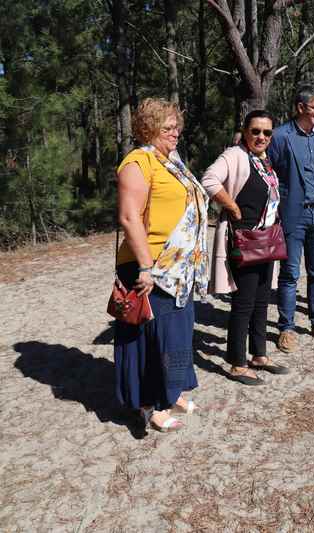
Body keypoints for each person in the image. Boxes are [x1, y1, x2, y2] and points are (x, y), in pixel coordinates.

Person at [114, 98, 209, 432]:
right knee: (152, 338)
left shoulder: (173, 162)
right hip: (150, 266)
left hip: (179, 268)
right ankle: (151, 404)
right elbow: (129, 217)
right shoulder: (138, 162)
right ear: (148, 128)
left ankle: (173, 390)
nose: (176, 133)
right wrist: (144, 267)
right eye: (168, 127)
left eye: (177, 127)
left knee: (178, 334)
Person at [202, 110, 288, 386]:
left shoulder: (264, 159)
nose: (261, 137)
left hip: (267, 240)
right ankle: (237, 363)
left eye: (266, 133)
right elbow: (209, 180)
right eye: (256, 131)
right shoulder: (235, 155)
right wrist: (232, 205)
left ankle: (259, 354)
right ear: (245, 131)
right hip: (245, 241)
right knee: (244, 302)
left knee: (262, 299)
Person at [268, 84, 314, 353]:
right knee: (290, 274)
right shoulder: (280, 136)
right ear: (300, 108)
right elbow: (270, 175)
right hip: (294, 214)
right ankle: (286, 327)